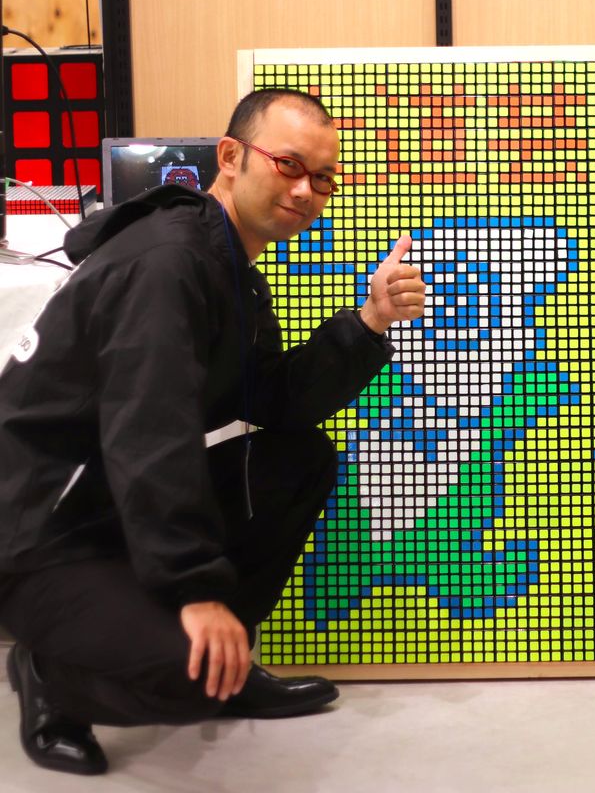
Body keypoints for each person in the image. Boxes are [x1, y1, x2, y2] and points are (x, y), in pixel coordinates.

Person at [0, 88, 426, 775]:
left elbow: (277, 402)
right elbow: (149, 429)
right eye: (289, 165)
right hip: (42, 535)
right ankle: (50, 673)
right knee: (187, 675)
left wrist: (370, 319)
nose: (307, 191)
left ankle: (229, 662)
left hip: (105, 508)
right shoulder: (168, 262)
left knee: (297, 457)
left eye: (324, 179)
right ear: (230, 156)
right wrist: (193, 588)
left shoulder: (227, 265)